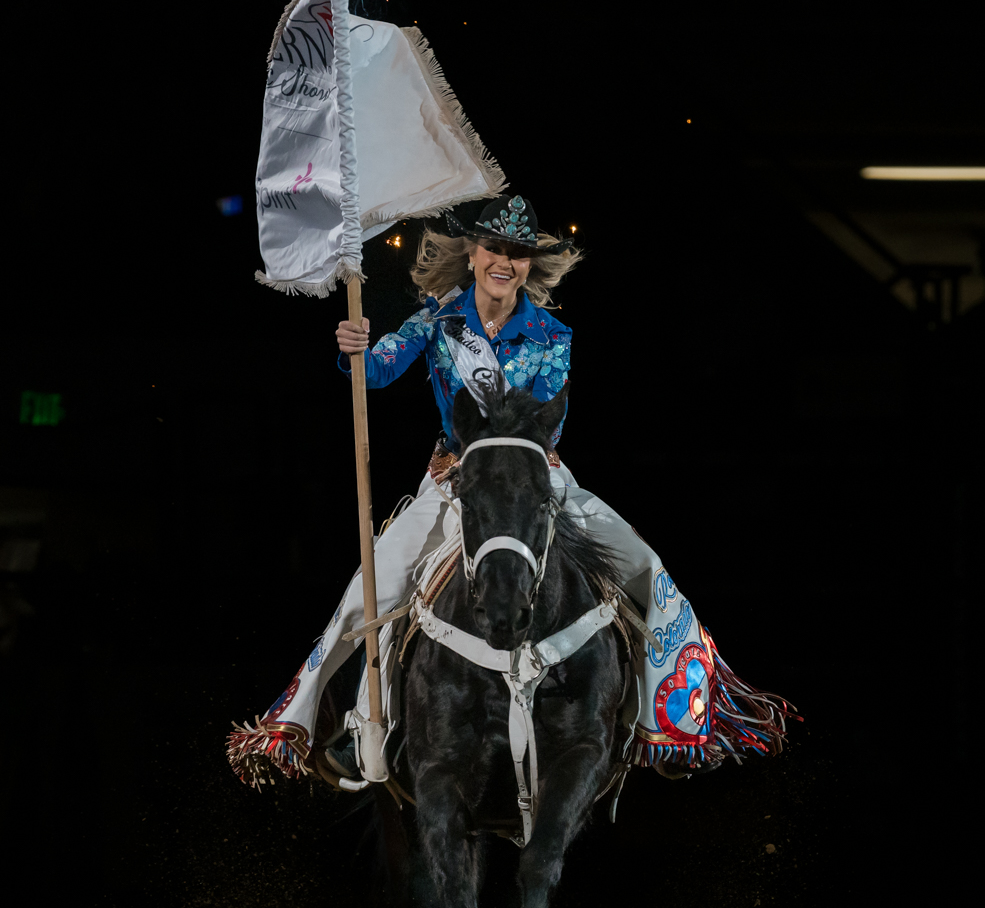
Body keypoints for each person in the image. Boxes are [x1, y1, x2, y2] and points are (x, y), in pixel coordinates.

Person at [227, 194, 791, 793]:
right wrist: (360, 349)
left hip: (534, 479)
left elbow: (538, 419)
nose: (506, 261)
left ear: (529, 265)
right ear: (472, 253)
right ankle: (335, 724)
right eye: (495, 248)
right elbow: (385, 366)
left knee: (646, 567)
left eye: (518, 254)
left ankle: (667, 721)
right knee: (370, 587)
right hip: (456, 482)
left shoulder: (552, 334)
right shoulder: (437, 319)